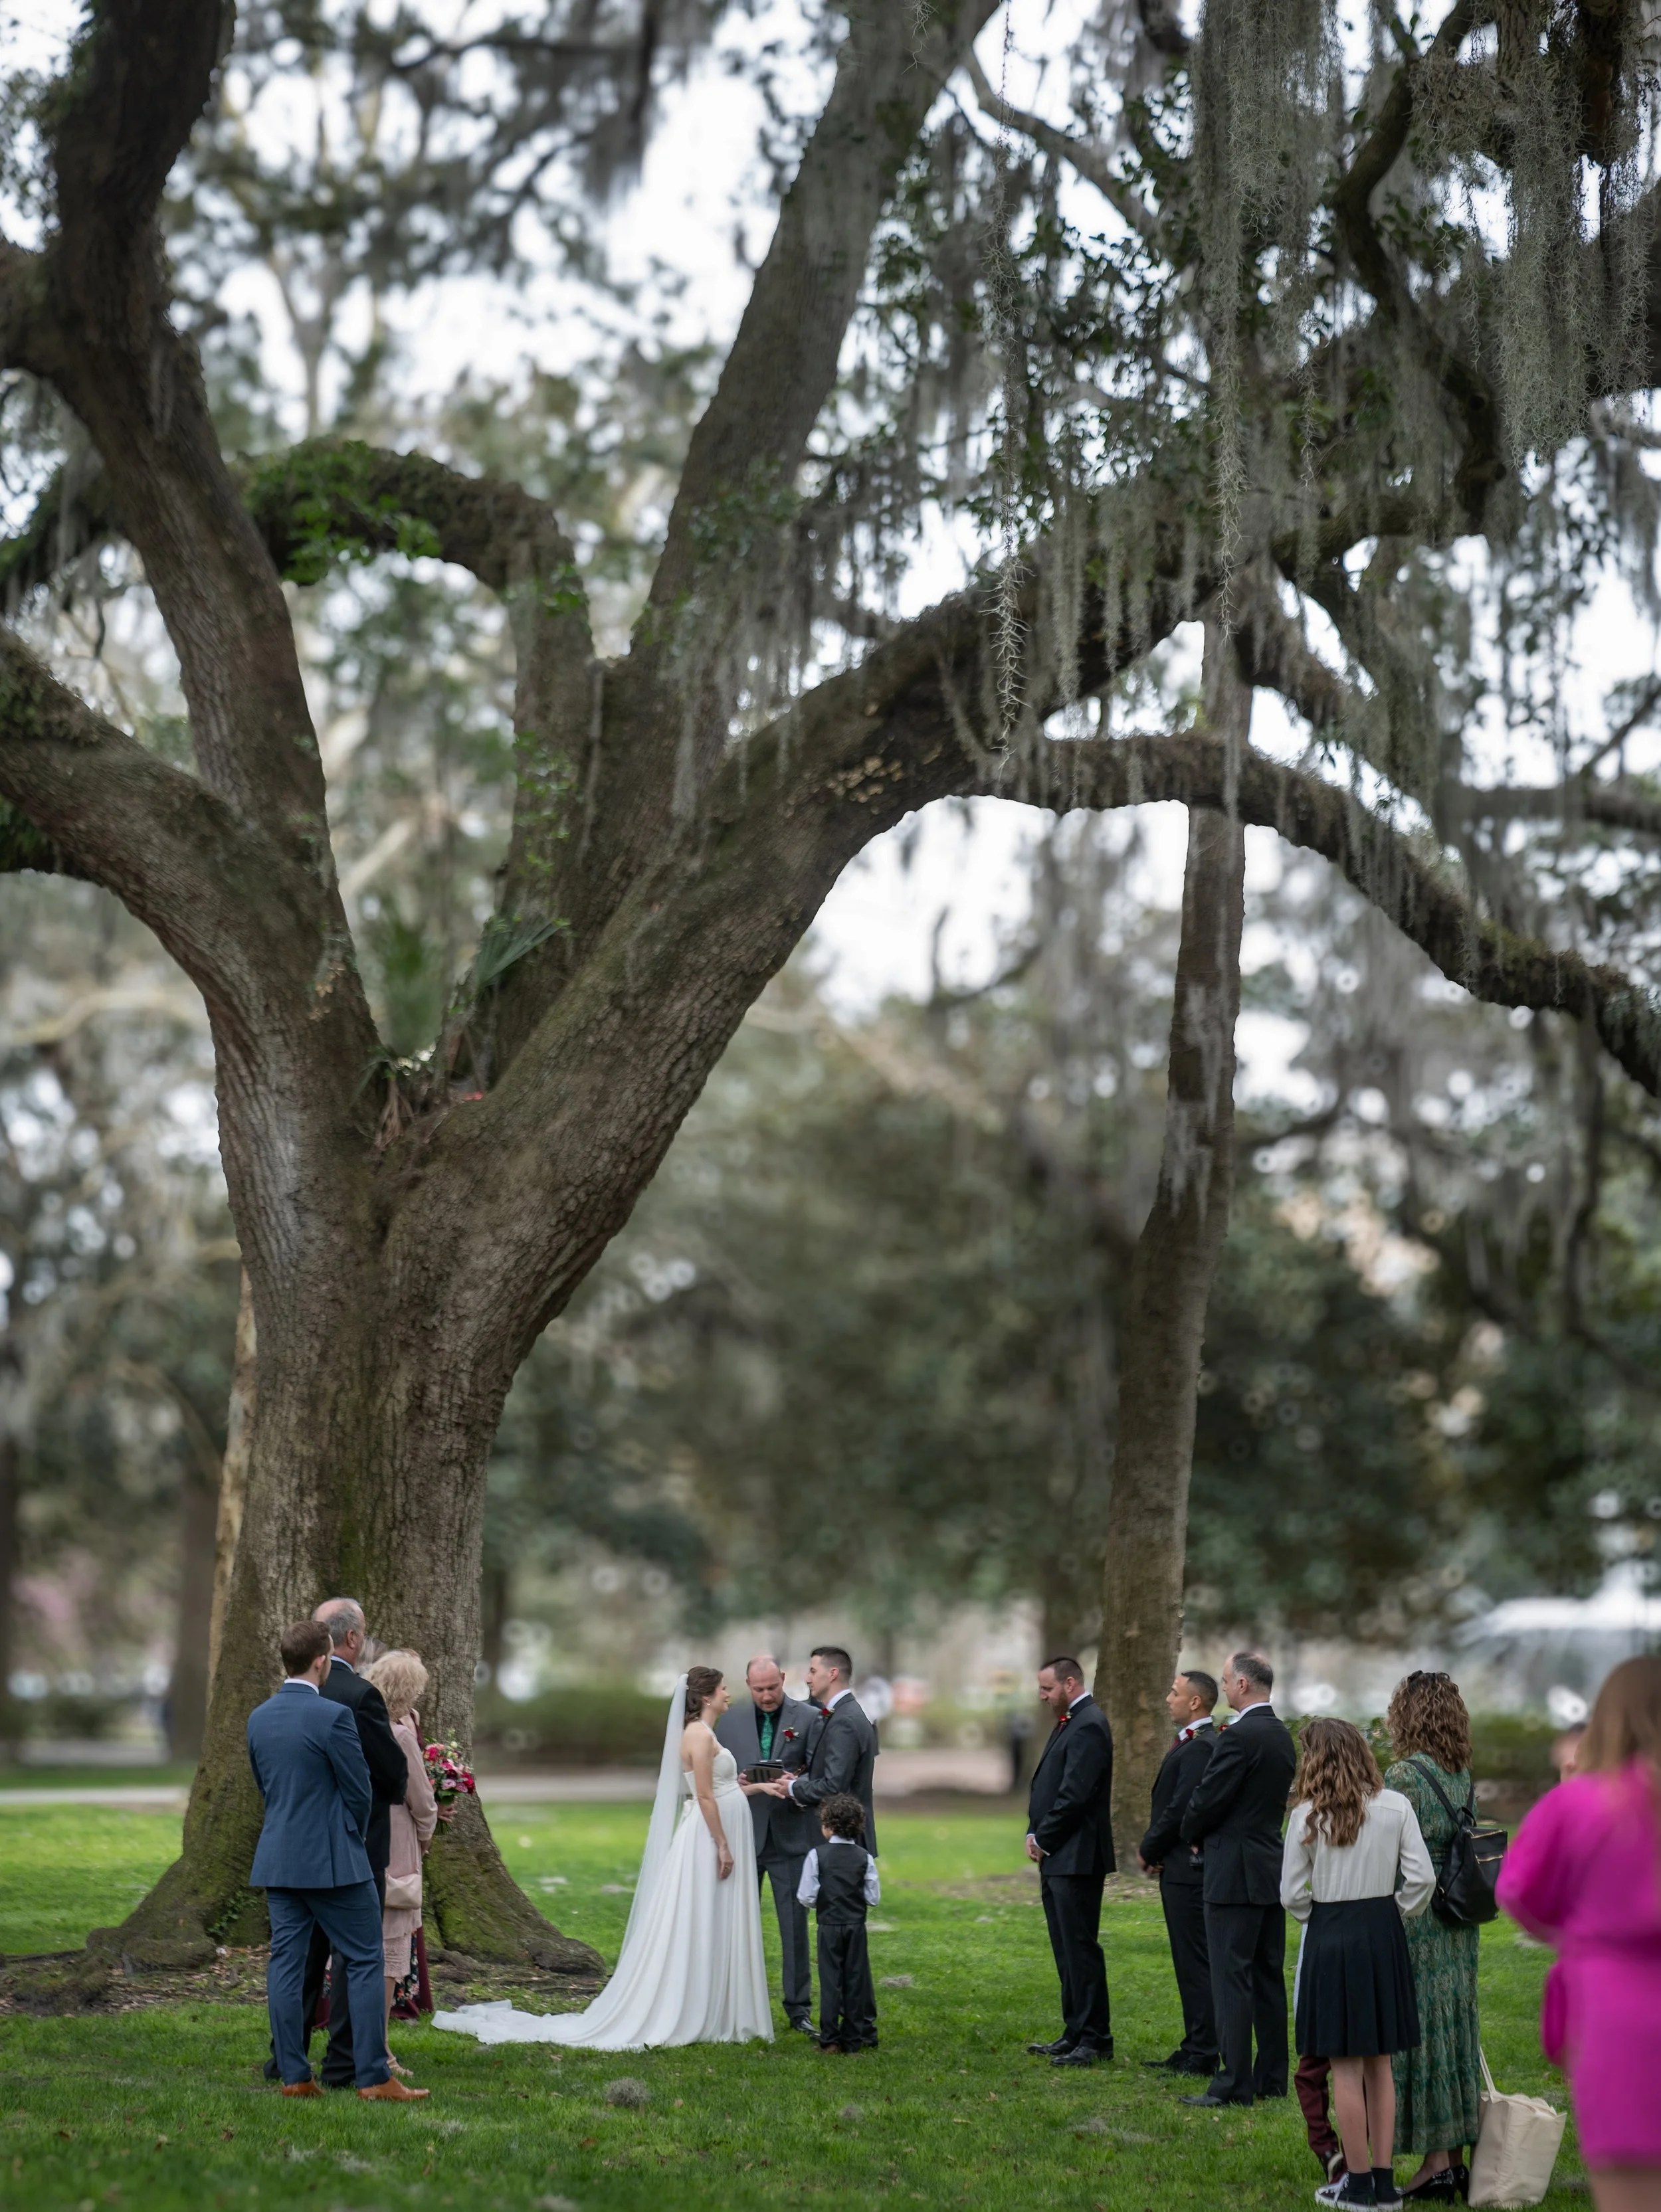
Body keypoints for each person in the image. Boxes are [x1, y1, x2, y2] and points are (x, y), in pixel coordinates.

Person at [430, 1667, 773, 2049]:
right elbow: (706, 1797)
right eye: (724, 1688)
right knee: (703, 1914)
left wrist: (757, 1786)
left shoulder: (706, 1734)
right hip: (710, 1836)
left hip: (718, 1827)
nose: (730, 1694)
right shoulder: (697, 1735)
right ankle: (695, 2007)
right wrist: (723, 1844)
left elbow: (721, 1789)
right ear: (707, 1696)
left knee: (716, 1914)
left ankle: (717, 2006)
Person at [1497, 1654, 1661, 2212]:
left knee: (1631, 2191)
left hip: (1616, 2016)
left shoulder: (1579, 1803)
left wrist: (1576, 1931)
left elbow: (1521, 1893)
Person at [246, 1619, 427, 2103]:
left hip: (279, 1858)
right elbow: (359, 1791)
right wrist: (343, 1835)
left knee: (286, 1963)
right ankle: (372, 2077)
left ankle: (294, 2075)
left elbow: (267, 1788)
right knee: (366, 1957)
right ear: (322, 1660)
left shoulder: (259, 1718)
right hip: (334, 1861)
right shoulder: (332, 1717)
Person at [1282, 1717, 1434, 2211]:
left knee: (1344, 2066)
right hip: (1381, 1931)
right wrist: (1393, 1912)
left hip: (1331, 1933)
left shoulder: (1307, 1814)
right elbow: (1421, 1879)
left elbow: (1289, 1893)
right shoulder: (1396, 1806)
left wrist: (1321, 1918)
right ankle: (1386, 2185)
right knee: (1380, 2062)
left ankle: (1361, 2185)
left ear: (1316, 1759)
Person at [1178, 1649, 1298, 2108]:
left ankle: (1233, 2084)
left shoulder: (1239, 1737)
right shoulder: (1282, 1737)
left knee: (1231, 1978)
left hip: (1232, 1873)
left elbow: (1207, 1800)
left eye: (1227, 1681)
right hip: (1270, 1869)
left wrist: (1191, 1832)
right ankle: (1271, 2078)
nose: (1224, 1688)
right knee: (1267, 1977)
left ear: (1244, 1685)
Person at [1384, 1671, 1484, 2202]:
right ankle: (1450, 2158)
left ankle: (1434, 2161)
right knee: (1454, 2028)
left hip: (1419, 1912)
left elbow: (1390, 1848)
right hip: (1459, 1915)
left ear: (1409, 1714)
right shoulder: (1461, 1771)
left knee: (1419, 2031)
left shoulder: (1404, 1775)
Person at [716, 1653, 819, 2034]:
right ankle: (731, 2002)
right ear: (748, 1686)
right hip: (743, 1836)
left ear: (784, 1679)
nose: (767, 1695)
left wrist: (797, 1780)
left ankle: (798, 2009)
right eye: (759, 1689)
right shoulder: (728, 1720)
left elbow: (820, 1773)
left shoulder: (808, 1718)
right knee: (733, 1923)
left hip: (790, 1837)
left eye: (773, 1687)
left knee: (794, 1927)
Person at [1023, 1654, 1116, 2068]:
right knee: (1065, 1948)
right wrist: (1034, 1831)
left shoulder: (1090, 1724)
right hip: (1058, 1855)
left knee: (1080, 1949)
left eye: (1047, 1688)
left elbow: (1075, 1794)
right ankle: (1075, 2031)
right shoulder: (1070, 1722)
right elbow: (1050, 1785)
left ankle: (1096, 2039)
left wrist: (1045, 1837)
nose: (1042, 1696)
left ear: (1071, 1684)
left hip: (1077, 1857)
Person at [1139, 1667, 1220, 2076]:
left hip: (1189, 1872)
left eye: (1174, 1693)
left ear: (1195, 1702)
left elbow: (1181, 1808)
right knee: (1186, 1961)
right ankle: (1195, 2044)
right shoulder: (1191, 1743)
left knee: (1195, 1961)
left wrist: (1149, 1847)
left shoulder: (1203, 1746)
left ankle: (1205, 2052)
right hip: (1175, 1865)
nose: (1167, 1699)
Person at [363, 1649, 441, 2073]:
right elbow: (423, 1801)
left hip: (363, 1837)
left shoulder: (362, 1723)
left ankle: (360, 2039)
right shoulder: (402, 1736)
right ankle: (381, 2050)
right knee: (391, 1948)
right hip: (397, 1841)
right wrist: (427, 1836)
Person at [757, 1645, 879, 1855]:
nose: (807, 1678)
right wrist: (796, 1781)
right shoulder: (843, 1713)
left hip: (845, 1842)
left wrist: (793, 1789)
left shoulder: (845, 1721)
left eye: (813, 1671)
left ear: (833, 1673)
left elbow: (834, 1786)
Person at [798, 1790, 880, 2053]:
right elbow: (873, 1897)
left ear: (829, 1827)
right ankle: (854, 2041)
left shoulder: (816, 1856)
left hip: (829, 1927)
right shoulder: (864, 1857)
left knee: (831, 1981)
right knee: (855, 1980)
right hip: (856, 1927)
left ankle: (830, 2039)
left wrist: (823, 1902)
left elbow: (806, 1896)